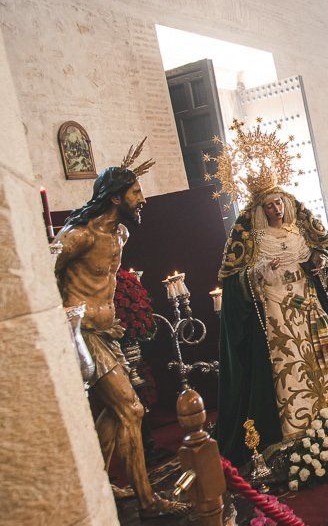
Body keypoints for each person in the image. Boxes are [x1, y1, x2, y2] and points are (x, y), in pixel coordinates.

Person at [215, 124, 328, 467]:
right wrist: (259, 273)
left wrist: (320, 262)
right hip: (278, 315)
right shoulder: (250, 239)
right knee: (288, 368)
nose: (275, 210)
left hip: (309, 309)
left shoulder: (302, 228)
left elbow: (326, 255)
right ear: (260, 210)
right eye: (269, 207)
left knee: (326, 361)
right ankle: (296, 430)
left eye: (278, 203)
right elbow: (235, 279)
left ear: (285, 203)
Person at [53, 141, 189, 519]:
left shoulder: (120, 236)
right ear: (115, 198)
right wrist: (79, 318)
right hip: (84, 334)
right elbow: (42, 276)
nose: (142, 199)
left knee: (114, 416)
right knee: (131, 409)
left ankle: (95, 483)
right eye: (136, 192)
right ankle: (147, 501)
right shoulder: (78, 236)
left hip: (107, 334)